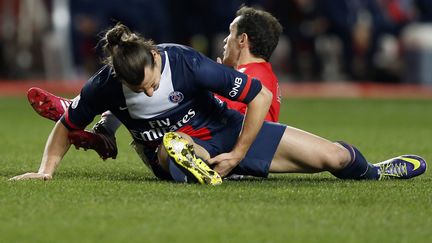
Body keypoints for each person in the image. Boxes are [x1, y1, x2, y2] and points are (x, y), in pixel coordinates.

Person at [11, 11, 426, 184]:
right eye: (139, 90)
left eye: (153, 82)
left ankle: (375, 171)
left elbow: (259, 97)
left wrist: (239, 149)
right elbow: (66, 126)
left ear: (156, 57)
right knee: (172, 145)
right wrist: (46, 170)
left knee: (335, 157)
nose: (150, 91)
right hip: (173, 150)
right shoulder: (104, 83)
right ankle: (189, 160)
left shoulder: (188, 63)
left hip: (228, 133)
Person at [26, 5, 283, 161]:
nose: (226, 40)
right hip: (214, 135)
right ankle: (99, 122)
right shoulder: (261, 74)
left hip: (219, 140)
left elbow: (235, 115)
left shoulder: (252, 78)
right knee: (138, 92)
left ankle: (92, 117)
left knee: (153, 97)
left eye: (231, 33)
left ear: (243, 40)